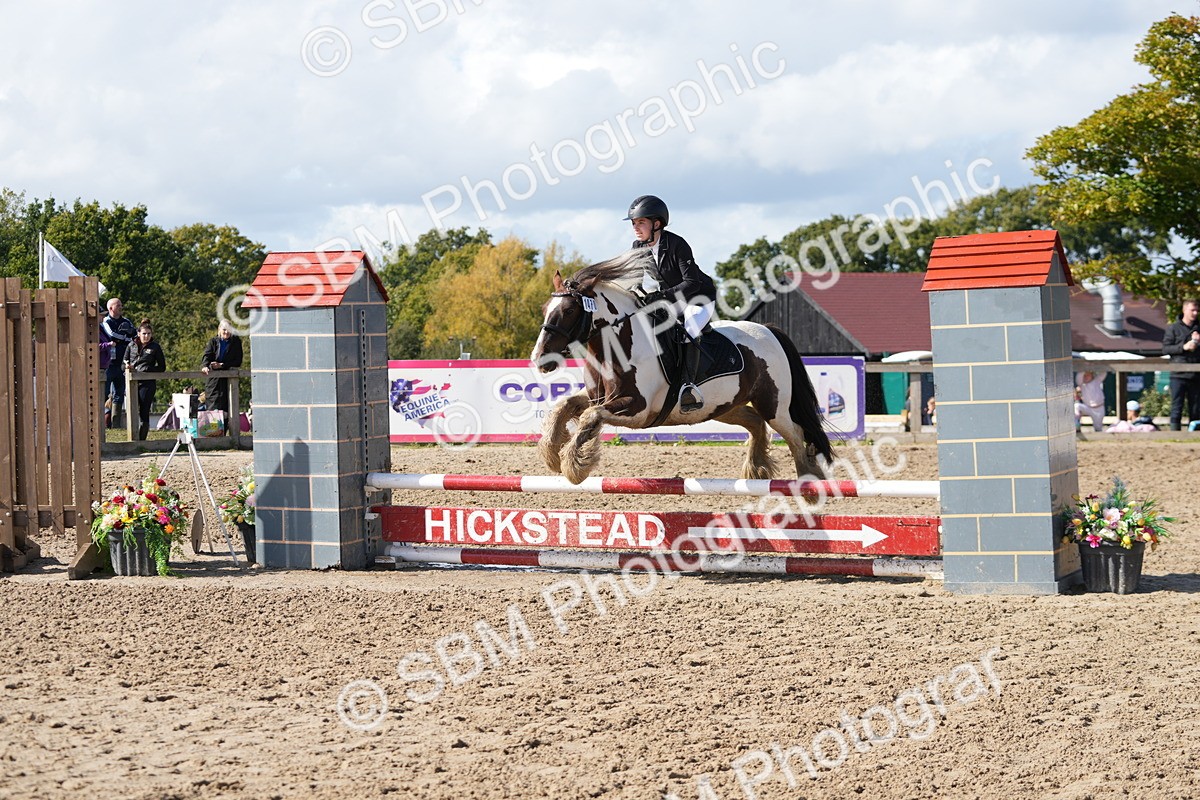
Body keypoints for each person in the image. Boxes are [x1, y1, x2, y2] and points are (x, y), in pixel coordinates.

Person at [624, 195, 716, 413]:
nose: (636, 228)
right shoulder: (638, 246)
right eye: (634, 223)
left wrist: (661, 296)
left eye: (641, 222)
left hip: (698, 298)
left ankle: (688, 387)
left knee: (689, 330)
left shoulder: (677, 244)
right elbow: (635, 279)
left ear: (656, 224)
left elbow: (692, 283)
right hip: (674, 300)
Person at [1161, 298, 1200, 431]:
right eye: (1192, 310)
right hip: (1178, 374)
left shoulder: (1199, 328)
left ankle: (1195, 435)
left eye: (1197, 310)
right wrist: (1184, 347)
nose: (1195, 313)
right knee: (1177, 406)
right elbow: (1166, 349)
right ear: (1184, 310)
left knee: (1196, 408)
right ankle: (1175, 435)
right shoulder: (1173, 328)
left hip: (1196, 374)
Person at [124, 319, 166, 440]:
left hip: (147, 383)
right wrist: (127, 366)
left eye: (148, 334)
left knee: (144, 410)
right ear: (138, 333)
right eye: (144, 333)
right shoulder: (131, 345)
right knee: (131, 409)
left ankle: (142, 439)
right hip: (132, 381)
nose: (146, 336)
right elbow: (123, 363)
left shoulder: (155, 347)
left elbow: (162, 367)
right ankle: (132, 437)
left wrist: (148, 369)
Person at [101, 297, 137, 428]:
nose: (121, 307)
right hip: (109, 363)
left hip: (122, 362)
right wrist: (124, 337)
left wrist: (125, 338)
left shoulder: (126, 321)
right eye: (118, 305)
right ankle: (103, 422)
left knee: (119, 393)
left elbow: (134, 336)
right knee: (104, 393)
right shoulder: (106, 321)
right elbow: (112, 335)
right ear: (111, 308)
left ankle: (115, 423)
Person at [200, 319, 244, 417]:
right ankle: (213, 426)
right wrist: (205, 366)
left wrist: (222, 365)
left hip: (228, 379)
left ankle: (227, 426)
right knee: (213, 408)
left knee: (228, 407)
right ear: (219, 329)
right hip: (213, 381)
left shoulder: (236, 342)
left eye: (229, 329)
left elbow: (238, 361)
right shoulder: (213, 341)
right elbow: (207, 356)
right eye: (224, 329)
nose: (226, 332)